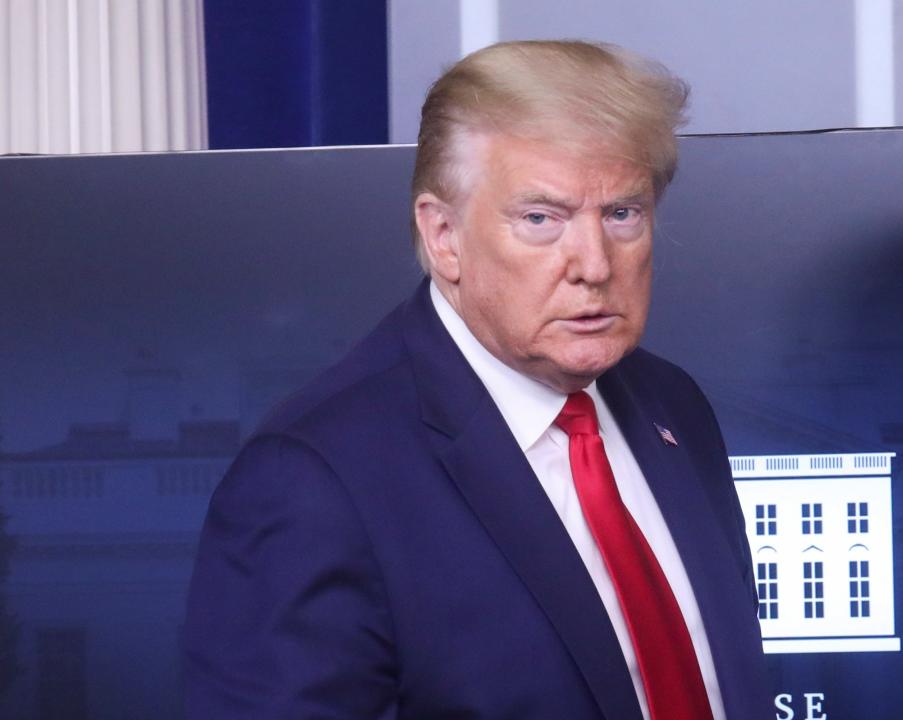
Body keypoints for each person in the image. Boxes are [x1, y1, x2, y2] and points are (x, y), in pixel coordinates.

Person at [182, 40, 770, 719]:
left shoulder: (673, 406)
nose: (594, 264)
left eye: (621, 214)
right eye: (541, 219)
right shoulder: (314, 479)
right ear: (443, 237)